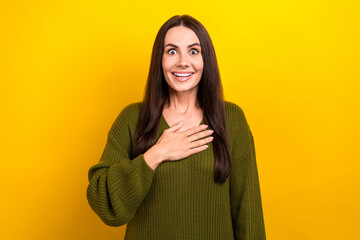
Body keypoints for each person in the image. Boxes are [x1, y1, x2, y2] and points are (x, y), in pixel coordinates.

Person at [86, 14, 266, 239]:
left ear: (205, 60)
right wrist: (155, 154)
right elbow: (103, 201)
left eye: (193, 51)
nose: (183, 61)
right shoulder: (131, 118)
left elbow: (248, 210)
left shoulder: (231, 119)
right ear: (159, 60)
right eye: (172, 51)